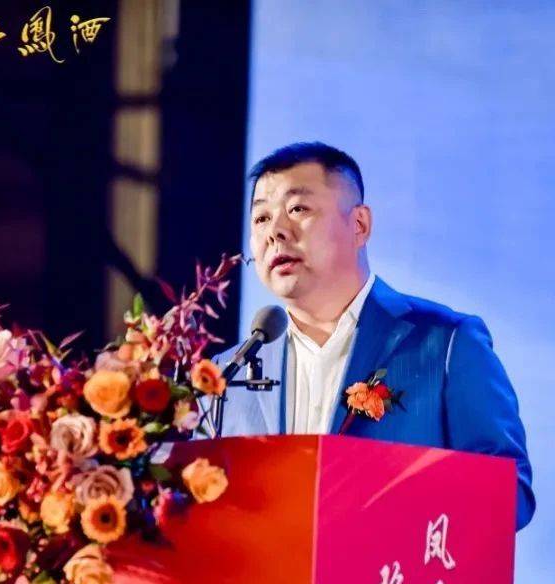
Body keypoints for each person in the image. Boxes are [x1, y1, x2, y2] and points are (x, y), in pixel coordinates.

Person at [211, 142, 534, 530]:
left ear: (360, 225)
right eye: (261, 218)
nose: (275, 232)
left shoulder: (446, 343)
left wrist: (389, 501)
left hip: (396, 568)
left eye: (298, 209)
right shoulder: (226, 376)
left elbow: (509, 495)